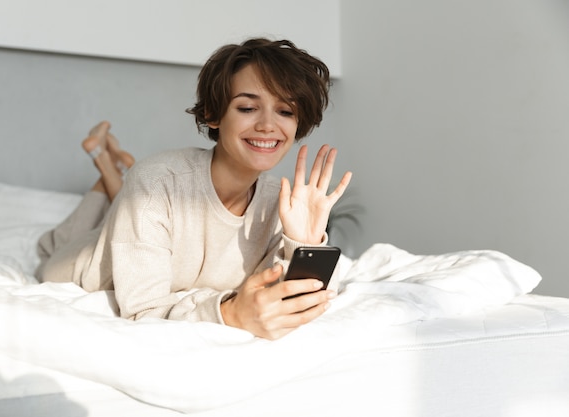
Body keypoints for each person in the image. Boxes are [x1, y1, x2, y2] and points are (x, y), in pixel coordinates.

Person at [37, 38, 352, 340]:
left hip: (146, 198)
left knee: (134, 197)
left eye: (285, 111)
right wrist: (230, 315)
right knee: (54, 246)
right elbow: (142, 314)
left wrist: (303, 243)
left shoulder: (282, 204)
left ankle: (108, 163)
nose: (268, 125)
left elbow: (288, 300)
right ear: (213, 114)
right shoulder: (158, 182)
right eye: (247, 108)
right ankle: (104, 163)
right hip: (75, 264)